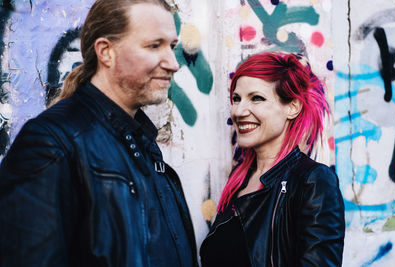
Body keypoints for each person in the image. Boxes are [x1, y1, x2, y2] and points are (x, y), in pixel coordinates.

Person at [0, 0, 198, 266]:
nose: (173, 63)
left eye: (172, 47)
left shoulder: (143, 145)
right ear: (106, 52)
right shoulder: (52, 142)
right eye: (154, 45)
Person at [200, 52, 345, 267]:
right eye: (236, 99)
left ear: (292, 107)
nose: (239, 111)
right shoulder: (239, 180)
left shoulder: (312, 181)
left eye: (256, 98)